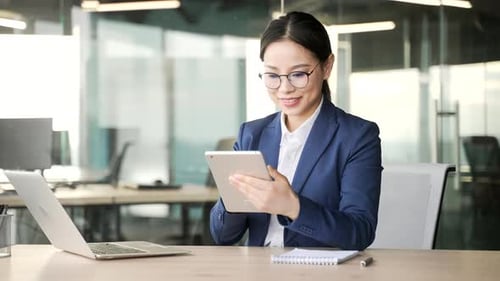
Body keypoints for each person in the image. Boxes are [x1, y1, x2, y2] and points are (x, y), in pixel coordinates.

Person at [209, 11, 382, 250]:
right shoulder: (251, 134)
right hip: (257, 270)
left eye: (298, 74)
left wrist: (292, 207)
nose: (284, 88)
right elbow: (223, 236)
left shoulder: (357, 136)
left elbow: (359, 231)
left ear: (327, 67)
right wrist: (234, 198)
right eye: (272, 75)